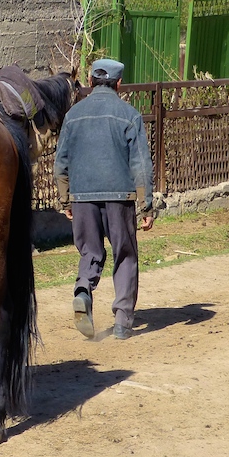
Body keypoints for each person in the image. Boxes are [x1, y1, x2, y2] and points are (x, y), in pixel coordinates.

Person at [53, 58, 155, 340]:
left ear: (90, 81)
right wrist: (146, 205)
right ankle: (122, 321)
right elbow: (141, 165)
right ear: (119, 83)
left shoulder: (73, 115)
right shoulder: (129, 115)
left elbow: (60, 164)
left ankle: (83, 290)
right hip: (119, 197)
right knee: (125, 253)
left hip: (82, 196)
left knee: (90, 251)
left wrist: (66, 200)